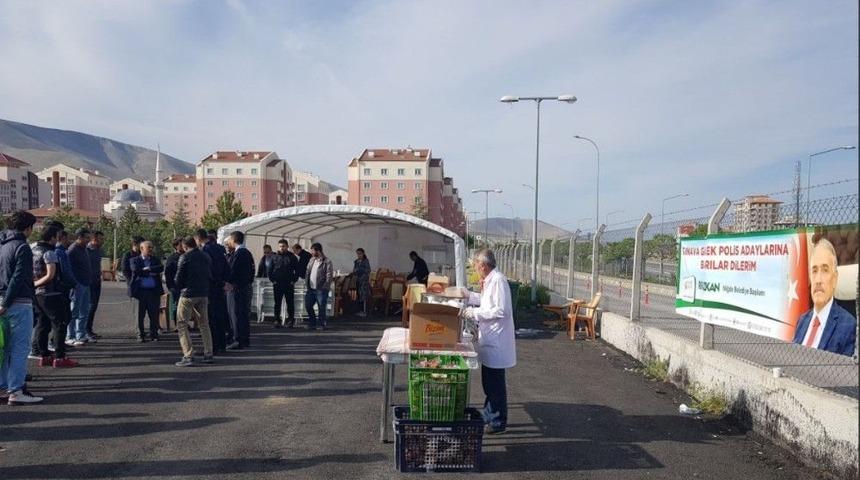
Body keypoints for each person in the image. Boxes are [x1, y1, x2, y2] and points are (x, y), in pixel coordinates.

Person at [461, 249, 515, 435]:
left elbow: (501, 310)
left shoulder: (498, 280)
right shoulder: (491, 280)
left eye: (475, 265)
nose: (475, 269)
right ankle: (489, 415)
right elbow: (486, 301)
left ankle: (497, 421)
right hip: (490, 339)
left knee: (495, 384)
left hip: (497, 341)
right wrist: (468, 295)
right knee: (489, 383)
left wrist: (474, 312)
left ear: (482, 265)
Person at [0, 211, 42, 404]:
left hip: (3, 301)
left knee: (5, 348)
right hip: (17, 303)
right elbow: (18, 278)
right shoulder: (22, 248)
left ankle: (4, 385)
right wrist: (6, 302)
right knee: (19, 348)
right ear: (28, 228)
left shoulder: (3, 246)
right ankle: (16, 390)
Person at [793, 238, 857, 356]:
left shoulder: (848, 326)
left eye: (825, 270)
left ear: (835, 279)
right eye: (814, 271)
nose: (818, 280)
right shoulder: (801, 321)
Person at [31, 225, 79, 369]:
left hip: (37, 294)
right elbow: (51, 274)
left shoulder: (33, 250)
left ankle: (44, 355)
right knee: (60, 323)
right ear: (52, 238)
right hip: (50, 292)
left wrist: (33, 285)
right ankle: (59, 357)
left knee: (42, 323)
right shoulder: (49, 253)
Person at [174, 236, 214, 367]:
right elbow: (210, 274)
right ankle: (208, 353)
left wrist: (177, 289)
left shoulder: (184, 257)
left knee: (182, 324)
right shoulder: (206, 256)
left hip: (188, 293)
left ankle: (188, 354)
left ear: (185, 246)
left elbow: (178, 278)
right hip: (203, 293)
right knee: (204, 324)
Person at [196, 229, 230, 354]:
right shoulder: (220, 249)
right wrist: (225, 282)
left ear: (198, 238)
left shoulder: (205, 251)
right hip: (220, 286)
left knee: (211, 318)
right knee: (220, 316)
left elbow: (209, 271)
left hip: (211, 287)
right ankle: (222, 345)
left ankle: (213, 346)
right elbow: (226, 266)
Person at [224, 231, 254, 349]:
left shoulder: (239, 254)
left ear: (233, 240)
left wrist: (228, 282)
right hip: (245, 287)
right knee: (244, 314)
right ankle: (244, 339)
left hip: (237, 288)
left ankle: (238, 339)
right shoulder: (247, 253)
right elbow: (252, 271)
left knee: (236, 314)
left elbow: (233, 271)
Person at [130, 241, 164, 342]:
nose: (151, 249)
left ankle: (154, 334)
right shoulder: (134, 260)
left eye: (151, 247)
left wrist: (148, 268)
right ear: (141, 249)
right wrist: (151, 272)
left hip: (153, 291)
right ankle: (140, 334)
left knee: (154, 314)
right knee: (139, 315)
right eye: (148, 247)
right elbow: (136, 271)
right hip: (140, 292)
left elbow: (160, 268)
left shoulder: (155, 259)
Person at [66, 228, 92, 346]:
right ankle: (70, 336)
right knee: (74, 311)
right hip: (77, 285)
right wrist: (74, 283)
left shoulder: (84, 249)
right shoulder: (72, 250)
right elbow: (68, 269)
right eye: (86, 237)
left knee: (84, 311)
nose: (89, 240)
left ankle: (80, 335)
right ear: (80, 237)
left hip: (86, 284)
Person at [269, 239, 297, 328]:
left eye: (283, 246)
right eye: (280, 246)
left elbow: (297, 270)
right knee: (277, 303)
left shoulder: (292, 257)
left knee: (290, 303)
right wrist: (273, 280)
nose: (282, 248)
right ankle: (277, 320)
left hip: (289, 283)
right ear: (278, 247)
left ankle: (291, 320)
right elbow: (270, 270)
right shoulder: (274, 257)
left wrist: (294, 280)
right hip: (277, 284)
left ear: (287, 246)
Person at [305, 243, 333, 331]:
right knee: (308, 305)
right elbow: (308, 272)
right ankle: (312, 322)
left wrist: (325, 287)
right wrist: (307, 284)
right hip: (311, 288)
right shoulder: (311, 260)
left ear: (318, 251)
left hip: (321, 289)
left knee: (321, 307)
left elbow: (329, 275)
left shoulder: (327, 261)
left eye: (313, 251)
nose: (312, 253)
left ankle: (321, 323)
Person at [85, 230, 104, 339]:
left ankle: (89, 329)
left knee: (94, 306)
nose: (103, 241)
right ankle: (85, 330)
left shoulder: (99, 250)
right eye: (101, 239)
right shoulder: (86, 250)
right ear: (94, 239)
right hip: (88, 282)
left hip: (97, 281)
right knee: (89, 307)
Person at [164, 238, 183, 330]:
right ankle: (177, 324)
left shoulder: (187, 255)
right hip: (175, 286)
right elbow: (167, 272)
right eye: (180, 244)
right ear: (176, 246)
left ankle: (184, 323)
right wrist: (170, 286)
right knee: (176, 305)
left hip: (185, 286)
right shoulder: (172, 258)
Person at [353, 248, 371, 317]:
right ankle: (360, 310)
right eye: (357, 254)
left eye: (360, 253)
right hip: (358, 280)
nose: (358, 255)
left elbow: (368, 270)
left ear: (363, 254)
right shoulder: (356, 261)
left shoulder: (365, 261)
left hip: (364, 281)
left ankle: (364, 311)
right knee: (359, 295)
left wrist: (360, 270)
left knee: (363, 295)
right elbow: (354, 269)